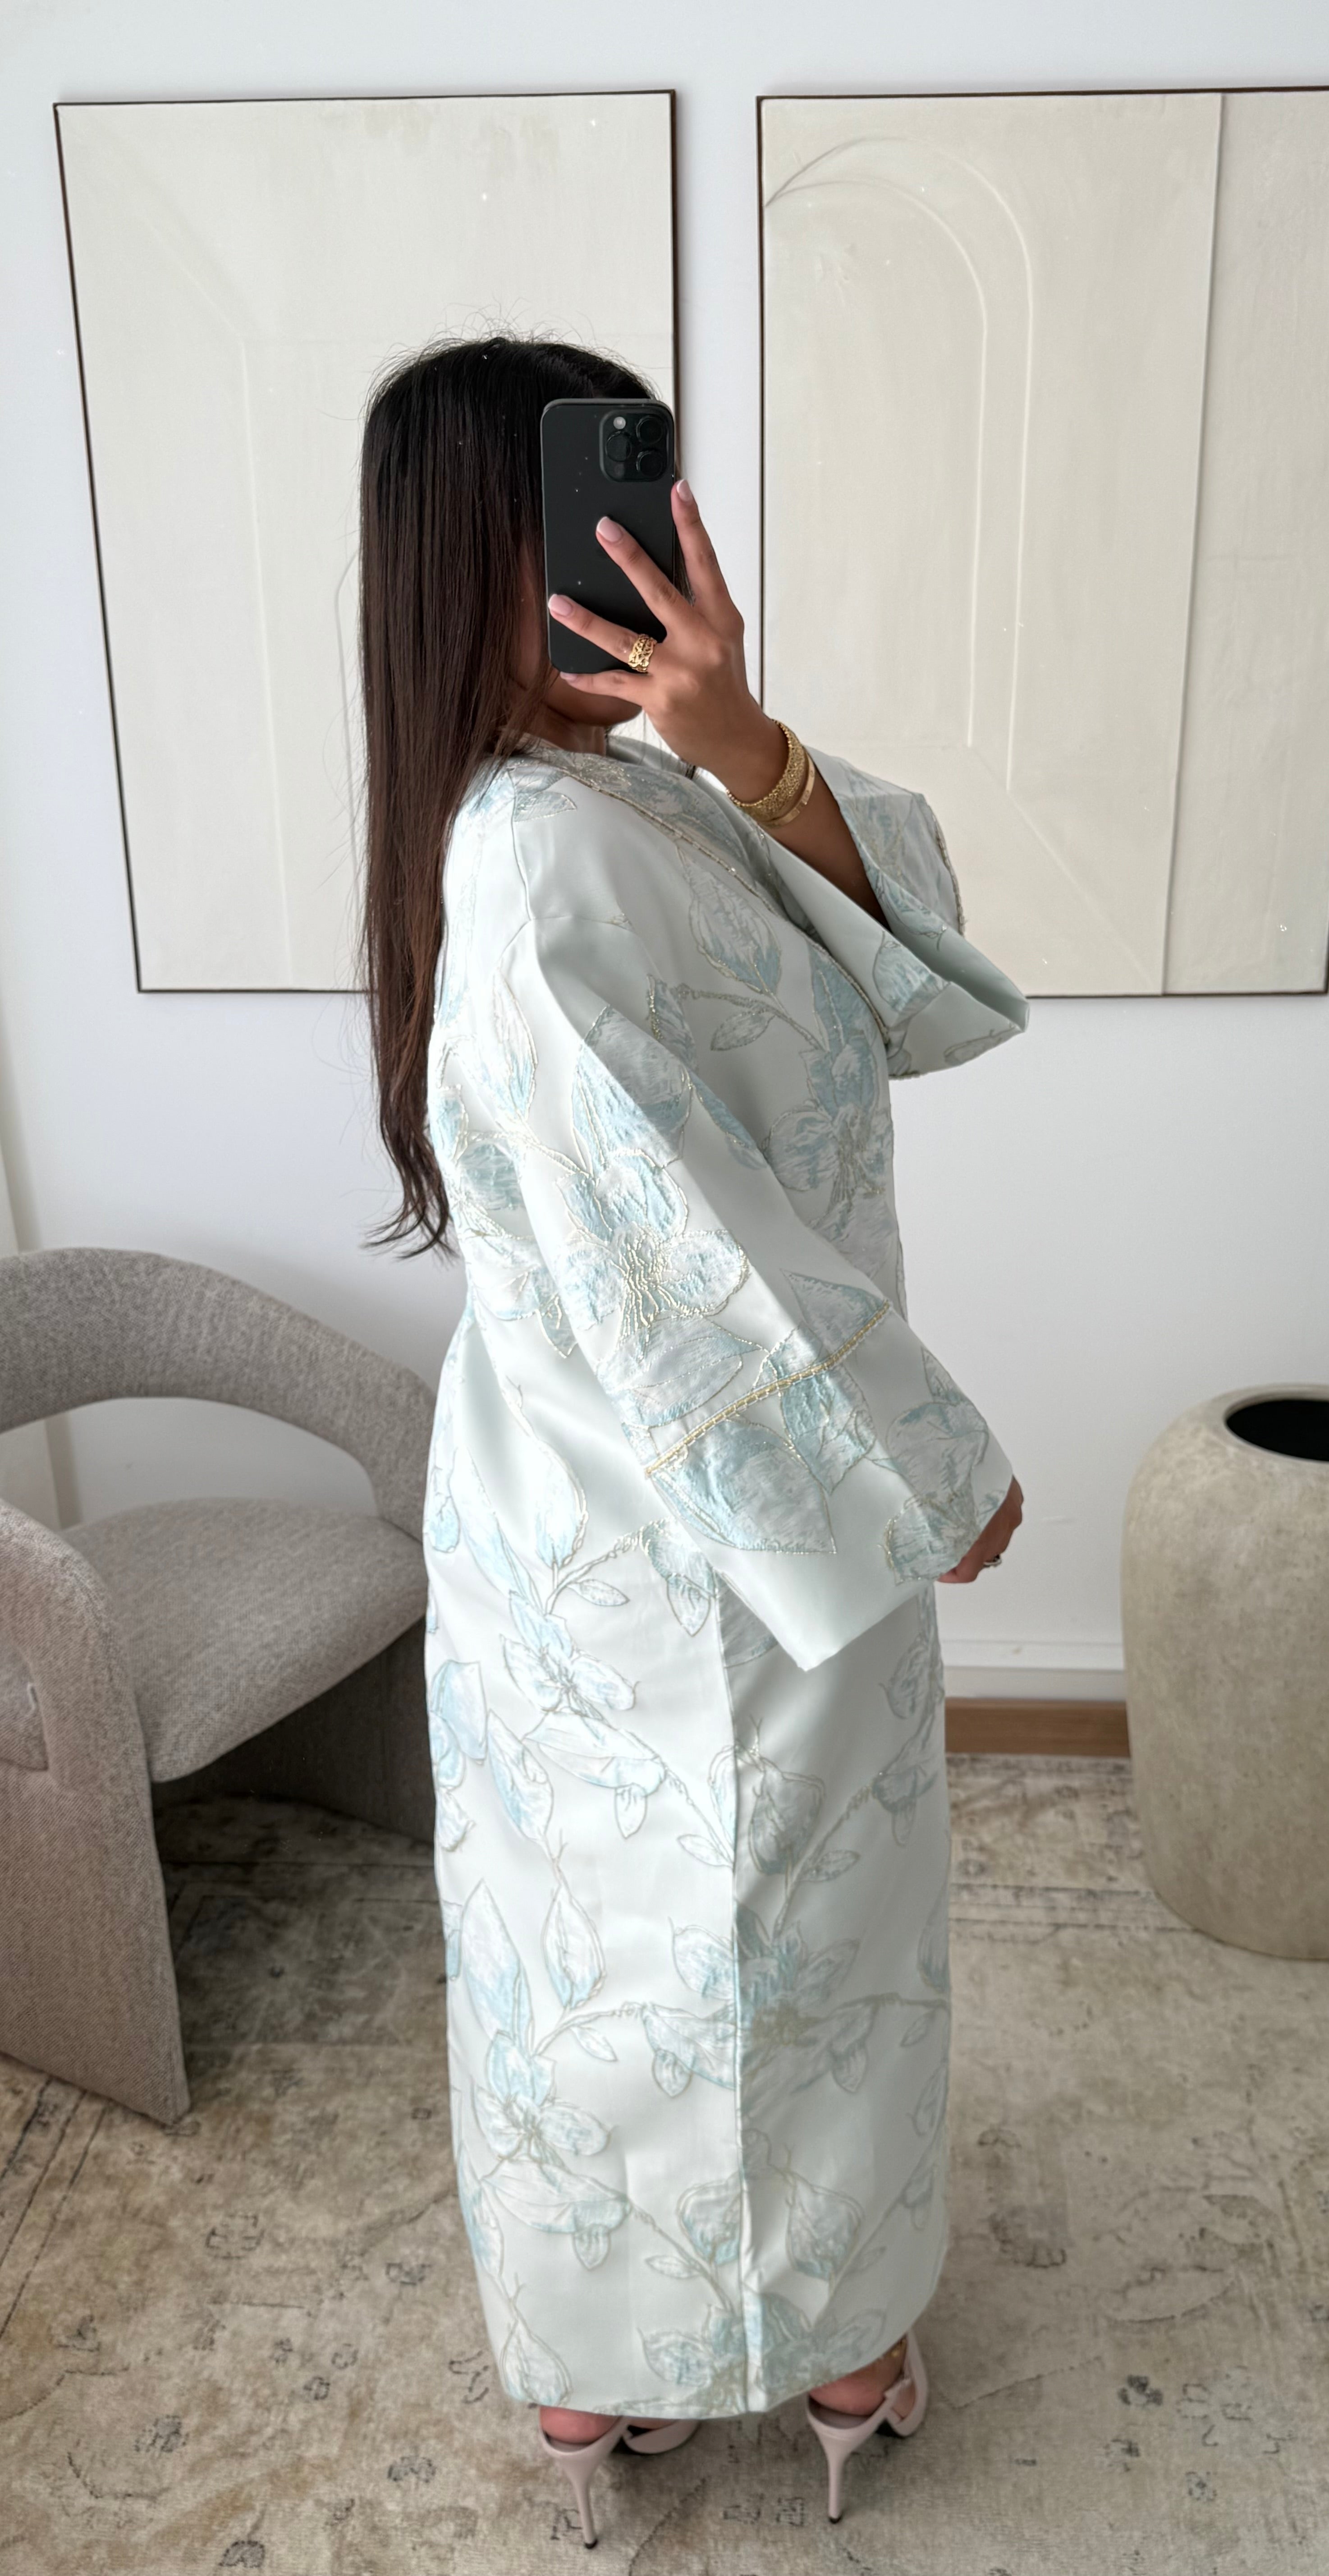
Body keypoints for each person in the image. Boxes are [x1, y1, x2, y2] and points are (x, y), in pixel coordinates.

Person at [357, 334, 1027, 2544]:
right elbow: (686, 1242)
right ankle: (823, 2356)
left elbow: (907, 984)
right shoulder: (539, 859)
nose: (631, 548)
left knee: (624, 1942)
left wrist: (747, 745)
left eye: (643, 502)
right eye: (578, 515)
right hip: (705, 1486)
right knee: (764, 1938)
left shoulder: (635, 794)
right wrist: (934, 1469)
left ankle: (608, 2386)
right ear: (476, 558)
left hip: (610, 1499)